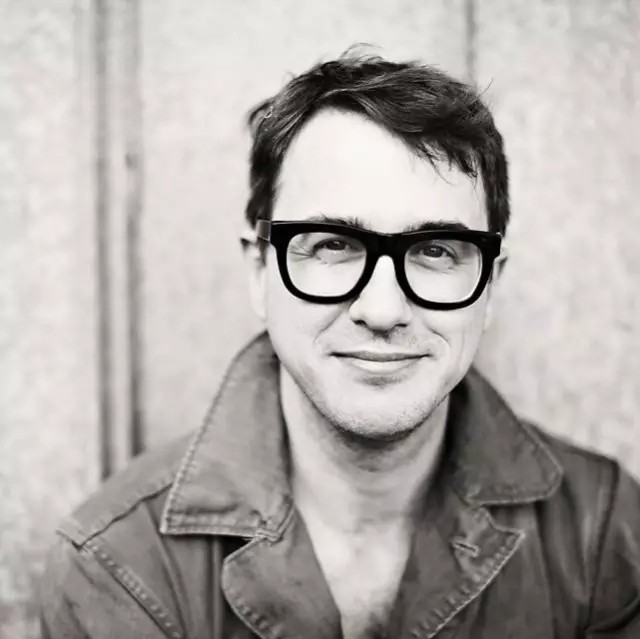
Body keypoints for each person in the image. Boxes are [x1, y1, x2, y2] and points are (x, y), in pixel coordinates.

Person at [40, 53, 640, 639]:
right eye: (332, 245)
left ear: (490, 286)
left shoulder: (602, 533)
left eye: (435, 251)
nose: (382, 310)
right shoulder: (121, 566)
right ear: (259, 271)